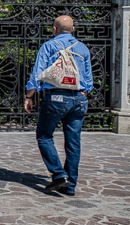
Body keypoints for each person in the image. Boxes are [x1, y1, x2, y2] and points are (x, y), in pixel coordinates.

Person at [24, 15, 92, 196]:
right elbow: (89, 80)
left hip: (55, 98)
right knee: (73, 142)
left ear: (54, 29)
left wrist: (29, 96)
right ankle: (70, 185)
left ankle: (59, 174)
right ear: (73, 29)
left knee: (44, 136)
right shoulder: (82, 48)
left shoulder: (49, 46)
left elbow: (37, 75)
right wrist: (81, 94)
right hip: (78, 99)